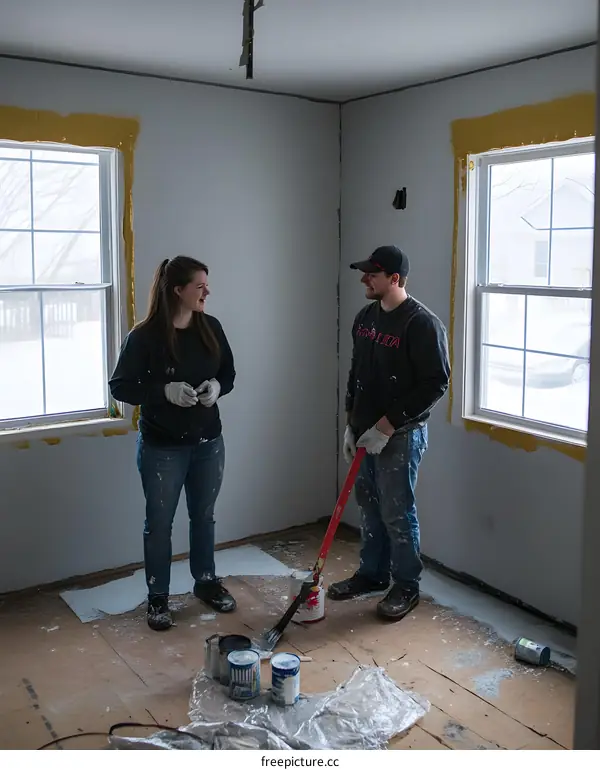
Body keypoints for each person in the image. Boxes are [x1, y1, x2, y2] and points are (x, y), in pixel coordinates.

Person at [109, 256, 236, 631]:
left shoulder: (210, 328)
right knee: (159, 524)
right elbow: (120, 386)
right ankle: (158, 598)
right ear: (177, 290)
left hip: (208, 442)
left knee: (204, 516)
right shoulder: (145, 337)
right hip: (162, 448)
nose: (207, 292)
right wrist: (163, 391)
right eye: (200, 286)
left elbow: (227, 373)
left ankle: (206, 581)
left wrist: (217, 387)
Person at [327, 245, 450, 621]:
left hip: (400, 435)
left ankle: (406, 586)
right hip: (365, 431)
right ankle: (372, 574)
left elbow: (436, 383)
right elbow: (356, 373)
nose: (364, 279)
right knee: (370, 507)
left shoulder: (421, 324)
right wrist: (352, 423)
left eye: (372, 274)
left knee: (398, 513)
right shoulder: (366, 317)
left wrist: (387, 424)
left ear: (394, 279)